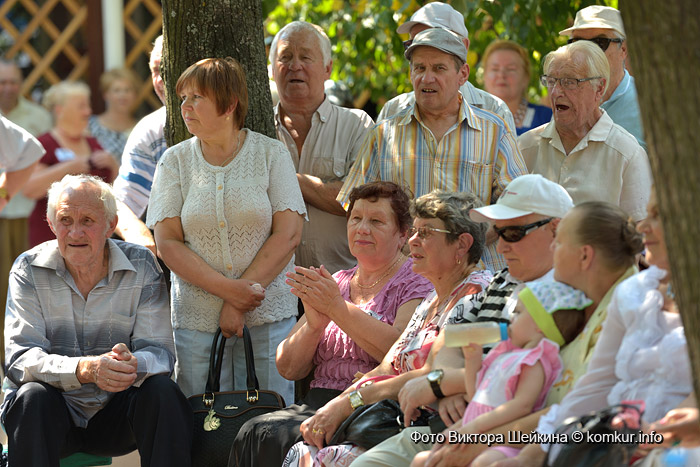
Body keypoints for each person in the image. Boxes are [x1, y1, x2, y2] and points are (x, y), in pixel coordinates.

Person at [355, 199, 643, 466]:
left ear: (582, 253)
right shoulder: (508, 285)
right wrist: (443, 385)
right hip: (472, 425)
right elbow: (454, 341)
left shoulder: (564, 302)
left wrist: (469, 428)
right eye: (500, 233)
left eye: (513, 233)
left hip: (521, 439)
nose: (501, 247)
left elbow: (573, 406)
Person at [282, 190, 494, 466]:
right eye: (414, 231)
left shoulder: (478, 293)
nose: (413, 241)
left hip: (436, 428)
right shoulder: (434, 297)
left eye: (426, 233)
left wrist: (350, 402)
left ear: (462, 244)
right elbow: (388, 365)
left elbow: (436, 372)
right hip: (395, 418)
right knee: (299, 452)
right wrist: (336, 406)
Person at [230, 181, 433, 467]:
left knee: (284, 437)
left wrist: (337, 309)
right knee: (256, 430)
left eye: (376, 221)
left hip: (371, 408)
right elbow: (288, 367)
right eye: (356, 218)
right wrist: (314, 326)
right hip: (317, 401)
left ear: (402, 235)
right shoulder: (336, 282)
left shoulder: (415, 281)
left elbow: (399, 352)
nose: (362, 228)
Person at [146, 57, 307, 405]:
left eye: (196, 97)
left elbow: (289, 235)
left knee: (270, 419)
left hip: (267, 315)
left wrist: (242, 298)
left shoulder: (271, 154)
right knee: (202, 426)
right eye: (183, 97)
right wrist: (231, 294)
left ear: (230, 103)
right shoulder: (173, 162)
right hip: (197, 320)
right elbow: (167, 243)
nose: (185, 106)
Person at [493, 187, 692, 466]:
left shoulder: (614, 294)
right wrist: (531, 455)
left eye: (657, 216)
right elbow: (595, 387)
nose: (643, 226)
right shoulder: (633, 292)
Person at [2, 174, 191, 466]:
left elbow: (161, 354)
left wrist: (128, 364)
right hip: (51, 415)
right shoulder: (28, 268)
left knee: (162, 392)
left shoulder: (141, 265)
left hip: (115, 417)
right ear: (51, 225)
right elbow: (20, 359)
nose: (75, 232)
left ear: (111, 225)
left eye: (87, 220)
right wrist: (85, 369)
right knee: (31, 396)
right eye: (65, 220)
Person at [338, 28, 528, 273]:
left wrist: (464, 244)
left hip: (476, 277)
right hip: (402, 279)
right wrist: (402, 244)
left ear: (463, 74)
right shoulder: (384, 134)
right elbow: (354, 206)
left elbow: (517, 203)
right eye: (419, 68)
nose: (427, 78)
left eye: (439, 68)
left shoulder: (494, 131)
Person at [412, 281, 590, 467]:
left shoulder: (534, 362)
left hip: (501, 443)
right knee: (421, 460)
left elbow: (522, 406)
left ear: (540, 325)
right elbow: (477, 397)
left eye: (518, 313)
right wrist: (473, 362)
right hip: (470, 432)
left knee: (483, 463)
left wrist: (473, 428)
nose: (511, 319)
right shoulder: (506, 355)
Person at [270, 21, 375, 273]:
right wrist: (326, 189)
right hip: (272, 290)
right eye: (285, 57)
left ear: (328, 69)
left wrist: (284, 178)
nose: (295, 65)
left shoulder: (357, 125)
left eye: (306, 56)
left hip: (343, 287)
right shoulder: (257, 130)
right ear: (273, 69)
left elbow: (358, 203)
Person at [518, 40, 652, 221]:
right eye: (551, 81)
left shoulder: (626, 154)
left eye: (569, 82)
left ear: (599, 88)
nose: (556, 91)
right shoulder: (526, 147)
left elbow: (640, 233)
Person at [378, 2, 516, 134]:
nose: (424, 47)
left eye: (435, 39)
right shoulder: (393, 111)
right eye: (414, 43)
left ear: (464, 47)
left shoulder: (495, 111)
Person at [24, 81, 118, 247]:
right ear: (60, 110)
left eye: (88, 106)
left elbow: (117, 188)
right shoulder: (44, 143)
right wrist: (68, 168)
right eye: (81, 106)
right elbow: (29, 188)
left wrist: (113, 164)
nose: (88, 112)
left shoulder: (93, 142)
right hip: (51, 238)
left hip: (92, 239)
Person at [560, 5, 645, 148]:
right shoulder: (565, 100)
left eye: (599, 43)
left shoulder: (644, 102)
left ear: (623, 49)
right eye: (579, 44)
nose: (587, 52)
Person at [112, 35, 167, 254]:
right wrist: (141, 237)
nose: (161, 80)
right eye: (155, 70)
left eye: (166, 68)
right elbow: (121, 204)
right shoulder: (153, 130)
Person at [481, 40, 552, 135]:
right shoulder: (468, 117)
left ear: (526, 77)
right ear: (484, 76)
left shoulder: (547, 119)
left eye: (511, 69)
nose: (501, 75)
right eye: (495, 69)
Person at [88, 68, 139, 164]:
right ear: (105, 94)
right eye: (117, 90)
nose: (123, 95)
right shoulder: (90, 126)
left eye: (127, 90)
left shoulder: (141, 128)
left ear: (134, 94)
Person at [0, 57, 52, 136]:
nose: (8, 88)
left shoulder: (40, 116)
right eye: (3, 83)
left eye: (13, 82)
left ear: (21, 83)